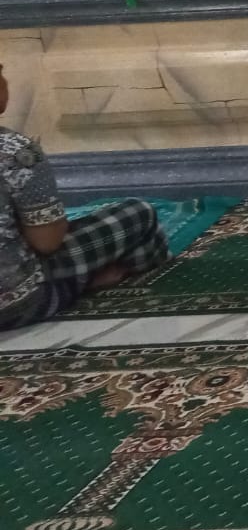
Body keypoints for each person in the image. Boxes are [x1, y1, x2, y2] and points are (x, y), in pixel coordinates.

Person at [0, 63, 168, 330]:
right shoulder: (16, 152)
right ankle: (96, 277)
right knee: (139, 214)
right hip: (16, 304)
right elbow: (47, 243)